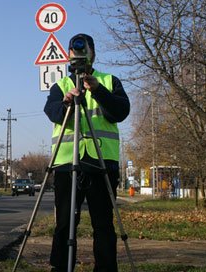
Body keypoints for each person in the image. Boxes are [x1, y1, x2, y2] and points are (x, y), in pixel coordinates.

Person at [43, 33, 130, 272]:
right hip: (66, 162)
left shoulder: (110, 81)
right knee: (65, 223)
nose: (79, 53)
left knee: (103, 224)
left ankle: (105, 268)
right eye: (75, 49)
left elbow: (120, 112)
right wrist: (68, 103)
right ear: (69, 55)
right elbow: (53, 113)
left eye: (84, 49)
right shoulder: (61, 86)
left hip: (102, 163)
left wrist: (98, 90)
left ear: (93, 53)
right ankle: (60, 267)